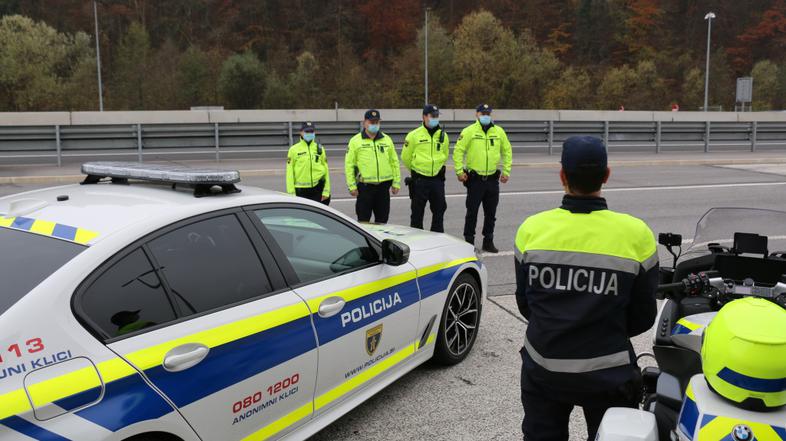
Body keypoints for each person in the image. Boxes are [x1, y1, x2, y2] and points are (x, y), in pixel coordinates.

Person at [514, 136, 659, 441]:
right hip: (609, 374)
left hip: (544, 368)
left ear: (562, 176)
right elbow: (644, 316)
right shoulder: (636, 234)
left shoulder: (532, 229)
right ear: (606, 175)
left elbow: (526, 304)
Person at [453, 103, 512, 253]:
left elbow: (507, 151)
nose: (485, 116)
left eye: (488, 113)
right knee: (472, 212)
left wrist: (506, 171)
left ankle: (488, 241)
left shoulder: (498, 131)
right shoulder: (469, 131)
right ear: (477, 114)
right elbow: (458, 151)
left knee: (491, 213)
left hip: (492, 179)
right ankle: (469, 242)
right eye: (482, 113)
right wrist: (459, 171)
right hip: (475, 180)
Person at [345, 109, 400, 223]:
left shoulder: (387, 139)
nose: (374, 125)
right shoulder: (355, 141)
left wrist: (396, 183)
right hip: (365, 189)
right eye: (372, 122)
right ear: (364, 122)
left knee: (382, 222)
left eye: (377, 122)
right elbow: (349, 165)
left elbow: (394, 162)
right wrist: (352, 186)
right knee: (363, 223)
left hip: (383, 188)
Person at [401, 104, 449, 232]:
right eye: (432, 116)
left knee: (439, 211)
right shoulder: (413, 135)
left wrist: (436, 168)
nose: (435, 118)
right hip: (420, 180)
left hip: (437, 180)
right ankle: (417, 243)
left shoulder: (443, 136)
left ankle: (437, 240)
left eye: (437, 116)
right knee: (417, 213)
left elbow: (445, 155)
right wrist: (416, 170)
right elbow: (406, 157)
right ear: (424, 117)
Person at [286, 121, 330, 204]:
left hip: (317, 190)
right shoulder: (293, 150)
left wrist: (326, 191)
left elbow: (326, 171)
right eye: (307, 131)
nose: (309, 134)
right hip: (301, 192)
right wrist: (291, 193)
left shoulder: (320, 148)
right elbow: (289, 173)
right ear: (301, 132)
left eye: (311, 131)